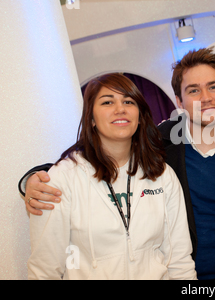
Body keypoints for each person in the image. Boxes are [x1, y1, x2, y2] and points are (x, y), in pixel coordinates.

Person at [20, 49, 215, 280]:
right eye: (193, 90)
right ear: (179, 101)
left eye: (213, 87)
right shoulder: (159, 145)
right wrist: (36, 178)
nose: (205, 97)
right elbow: (102, 153)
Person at [27, 73, 196, 280]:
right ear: (91, 118)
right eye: (107, 102)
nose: (120, 109)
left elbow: (179, 260)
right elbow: (44, 270)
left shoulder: (161, 174)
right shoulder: (62, 179)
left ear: (140, 116)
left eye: (128, 101)